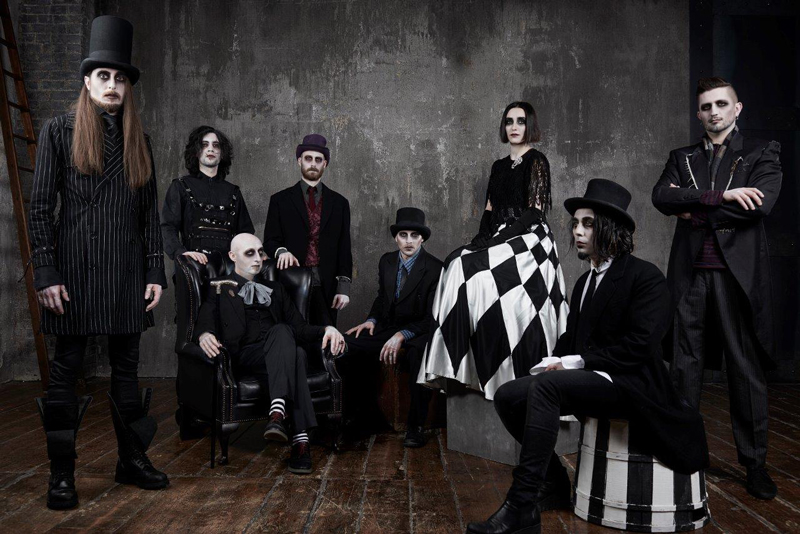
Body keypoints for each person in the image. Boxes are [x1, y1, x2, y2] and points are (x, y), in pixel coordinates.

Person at [468, 179, 709, 534]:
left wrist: (573, 363)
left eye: (588, 224)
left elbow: (640, 347)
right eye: (576, 224)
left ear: (610, 227)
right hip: (595, 381)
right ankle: (552, 482)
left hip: (632, 385)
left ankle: (521, 505)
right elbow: (571, 341)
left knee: (546, 389)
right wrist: (550, 363)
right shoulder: (584, 283)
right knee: (508, 394)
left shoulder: (645, 277)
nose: (577, 232)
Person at [27, 16, 169, 510]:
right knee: (65, 370)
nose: (112, 85)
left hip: (126, 271)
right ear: (87, 82)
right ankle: (61, 474)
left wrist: (155, 271)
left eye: (120, 78)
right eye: (103, 76)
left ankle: (131, 460)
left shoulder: (139, 140)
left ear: (128, 86)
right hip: (73, 272)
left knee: (127, 370)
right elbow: (40, 207)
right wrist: (46, 272)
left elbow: (149, 215)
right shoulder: (58, 131)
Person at [652, 77, 782, 500]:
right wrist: (722, 197)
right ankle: (685, 454)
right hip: (689, 274)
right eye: (707, 106)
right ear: (698, 114)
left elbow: (759, 205)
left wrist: (693, 207)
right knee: (684, 367)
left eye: (722, 104)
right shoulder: (682, 157)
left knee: (744, 368)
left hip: (735, 276)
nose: (714, 112)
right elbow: (661, 197)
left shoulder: (761, 152)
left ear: (737, 108)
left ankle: (755, 465)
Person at [419, 101, 568, 400]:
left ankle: (496, 364)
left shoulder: (537, 161)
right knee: (455, 263)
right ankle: (451, 365)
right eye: (509, 121)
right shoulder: (498, 166)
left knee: (480, 274)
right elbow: (489, 210)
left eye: (521, 121)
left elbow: (534, 211)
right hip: (499, 234)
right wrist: (482, 238)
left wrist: (500, 240)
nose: (514, 127)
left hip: (530, 237)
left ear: (530, 125)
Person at [194, 233, 346, 474]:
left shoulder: (276, 289)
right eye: (249, 253)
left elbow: (300, 328)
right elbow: (204, 320)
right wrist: (204, 335)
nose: (258, 258)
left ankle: (281, 418)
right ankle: (299, 438)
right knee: (293, 349)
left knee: (292, 346)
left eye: (260, 252)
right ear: (233, 256)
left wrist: (327, 328)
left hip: (280, 352)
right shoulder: (219, 287)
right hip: (247, 356)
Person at [342, 208, 443, 447]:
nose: (408, 241)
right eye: (403, 235)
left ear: (422, 238)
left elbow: (433, 317)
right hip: (389, 325)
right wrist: (371, 320)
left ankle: (415, 427)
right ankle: (360, 416)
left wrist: (402, 335)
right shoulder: (386, 261)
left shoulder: (435, 268)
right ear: (396, 238)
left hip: (421, 330)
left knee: (419, 355)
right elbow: (382, 298)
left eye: (414, 236)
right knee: (349, 345)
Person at [263, 134, 352, 326]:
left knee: (326, 336)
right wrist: (281, 251)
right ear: (299, 161)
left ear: (325, 164)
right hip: (289, 280)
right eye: (308, 158)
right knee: (292, 333)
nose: (313, 164)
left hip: (326, 282)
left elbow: (344, 247)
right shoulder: (280, 200)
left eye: (318, 160)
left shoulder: (340, 203)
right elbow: (270, 241)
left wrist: (343, 287)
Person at [161, 125, 254, 265]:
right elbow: (168, 227)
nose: (211, 149)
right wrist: (180, 253)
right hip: (192, 265)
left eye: (216, 145)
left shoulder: (233, 191)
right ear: (196, 152)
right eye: (204, 145)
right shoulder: (180, 186)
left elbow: (245, 233)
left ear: (222, 153)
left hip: (228, 267)